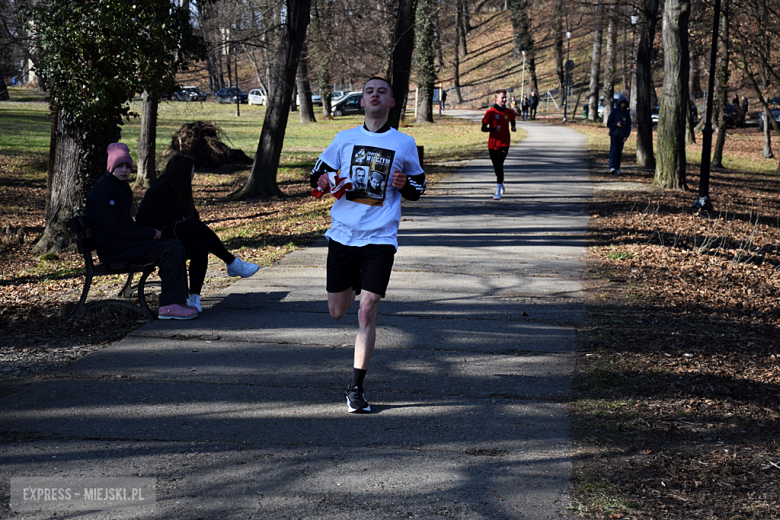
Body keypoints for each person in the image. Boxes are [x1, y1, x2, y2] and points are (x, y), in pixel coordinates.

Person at [309, 77, 427, 413]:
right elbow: (315, 175)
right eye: (369, 92)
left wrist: (405, 184)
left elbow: (419, 186)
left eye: (382, 91)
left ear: (391, 102)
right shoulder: (344, 139)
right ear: (362, 102)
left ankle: (356, 388)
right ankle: (358, 280)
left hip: (380, 237)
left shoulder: (403, 143)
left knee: (367, 308)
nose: (374, 95)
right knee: (337, 312)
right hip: (343, 234)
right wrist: (321, 181)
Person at [84, 143, 197, 320]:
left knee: (175, 245)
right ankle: (169, 305)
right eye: (119, 166)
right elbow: (115, 227)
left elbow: (126, 222)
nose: (124, 170)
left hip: (122, 244)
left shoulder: (119, 187)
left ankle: (179, 301)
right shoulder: (105, 189)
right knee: (170, 249)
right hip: (113, 249)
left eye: (128, 167)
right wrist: (149, 233)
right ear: (110, 166)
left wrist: (149, 231)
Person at [136, 154, 259, 313]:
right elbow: (142, 218)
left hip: (175, 236)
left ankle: (194, 296)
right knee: (195, 226)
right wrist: (175, 219)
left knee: (199, 246)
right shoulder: (160, 188)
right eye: (192, 170)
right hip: (159, 239)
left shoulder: (182, 188)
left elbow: (193, 216)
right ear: (183, 171)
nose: (194, 174)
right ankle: (232, 262)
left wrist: (184, 220)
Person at [481, 89, 516, 200]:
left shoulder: (509, 112)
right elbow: (483, 128)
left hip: (505, 142)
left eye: (505, 97)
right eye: (502, 98)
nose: (504, 99)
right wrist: (494, 129)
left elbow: (513, 119)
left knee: (500, 164)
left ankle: (497, 192)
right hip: (492, 144)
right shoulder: (490, 112)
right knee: (496, 166)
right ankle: (501, 180)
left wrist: (513, 126)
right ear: (496, 99)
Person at [606, 94, 631, 175]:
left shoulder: (627, 113)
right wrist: (616, 124)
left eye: (624, 103)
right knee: (613, 151)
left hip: (622, 135)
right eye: (621, 103)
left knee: (619, 152)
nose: (623, 105)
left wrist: (626, 136)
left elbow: (628, 125)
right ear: (619, 103)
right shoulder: (614, 111)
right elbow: (609, 123)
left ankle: (617, 167)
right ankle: (612, 166)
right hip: (614, 134)